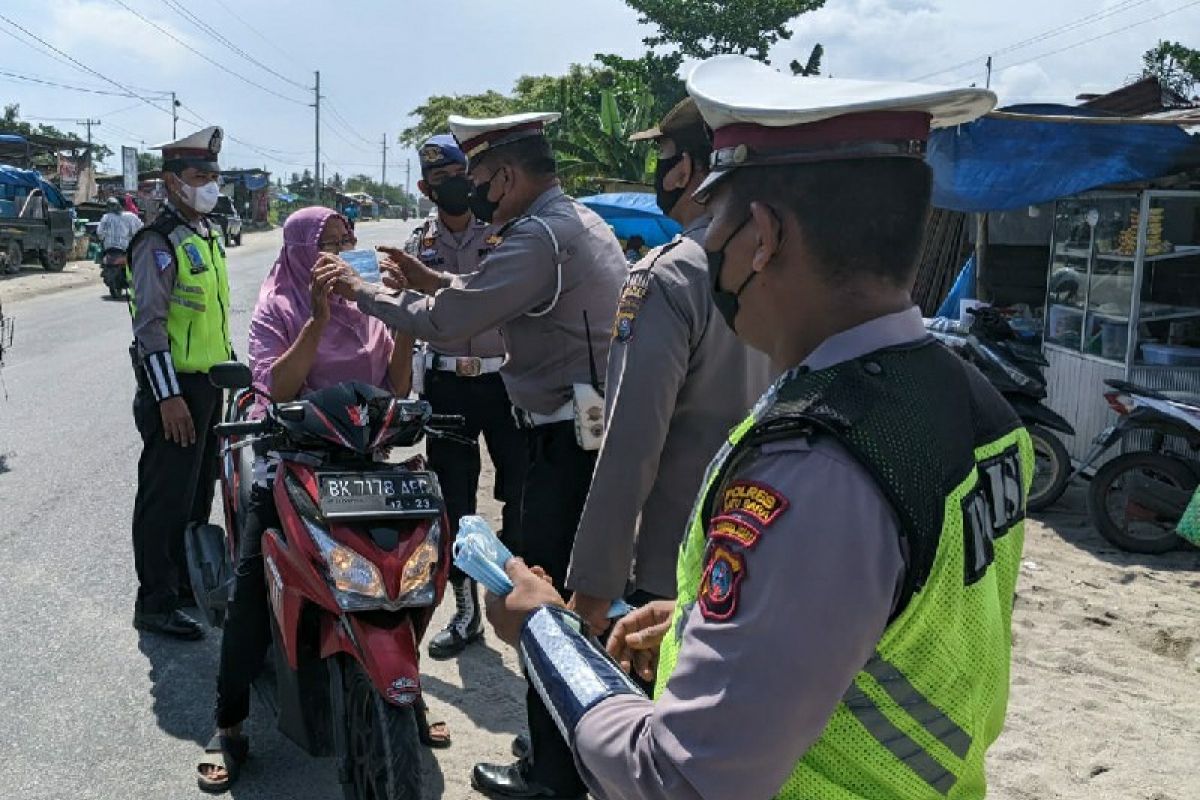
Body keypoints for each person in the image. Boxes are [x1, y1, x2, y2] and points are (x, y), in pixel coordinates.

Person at [485, 55, 1034, 800]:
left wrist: (545, 633)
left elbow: (680, 778)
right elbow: (898, 615)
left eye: (716, 221)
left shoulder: (816, 468)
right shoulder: (977, 404)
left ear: (763, 237)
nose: (706, 247)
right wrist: (699, 628)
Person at [315, 111, 627, 800]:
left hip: (564, 444)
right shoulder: (568, 223)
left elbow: (445, 324)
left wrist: (360, 290)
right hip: (579, 435)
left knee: (546, 607)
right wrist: (427, 276)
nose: (476, 194)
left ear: (507, 175)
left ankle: (553, 775)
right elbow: (480, 299)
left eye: (481, 180)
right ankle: (561, 745)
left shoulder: (539, 237)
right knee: (555, 589)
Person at [195, 206, 425, 792]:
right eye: (328, 239)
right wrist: (317, 321)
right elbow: (276, 386)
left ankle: (405, 695)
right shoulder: (279, 306)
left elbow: (396, 389)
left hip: (363, 465)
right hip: (293, 462)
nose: (344, 246)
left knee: (409, 574)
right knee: (251, 591)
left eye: (347, 237)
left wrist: (401, 319)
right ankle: (232, 721)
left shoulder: (369, 300)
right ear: (300, 249)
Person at [565, 98, 773, 640]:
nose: (661, 171)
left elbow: (630, 445)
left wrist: (593, 585)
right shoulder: (781, 264)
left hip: (672, 565)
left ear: (687, 168)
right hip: (760, 550)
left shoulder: (668, 275)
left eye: (662, 154)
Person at [390, 134, 527, 660]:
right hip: (446, 381)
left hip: (504, 380)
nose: (455, 188)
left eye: (461, 177)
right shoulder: (415, 243)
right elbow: (403, 305)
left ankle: (515, 598)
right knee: (454, 502)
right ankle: (466, 611)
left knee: (519, 490)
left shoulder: (506, 234)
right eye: (442, 182)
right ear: (427, 188)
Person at [127, 126, 230, 641]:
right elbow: (150, 329)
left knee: (196, 495)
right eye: (199, 175)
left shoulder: (205, 235)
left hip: (208, 389)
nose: (210, 183)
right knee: (164, 498)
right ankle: (155, 600)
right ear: (172, 183)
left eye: (214, 174)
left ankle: (185, 582)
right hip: (175, 392)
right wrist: (168, 396)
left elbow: (211, 318)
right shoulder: (157, 241)